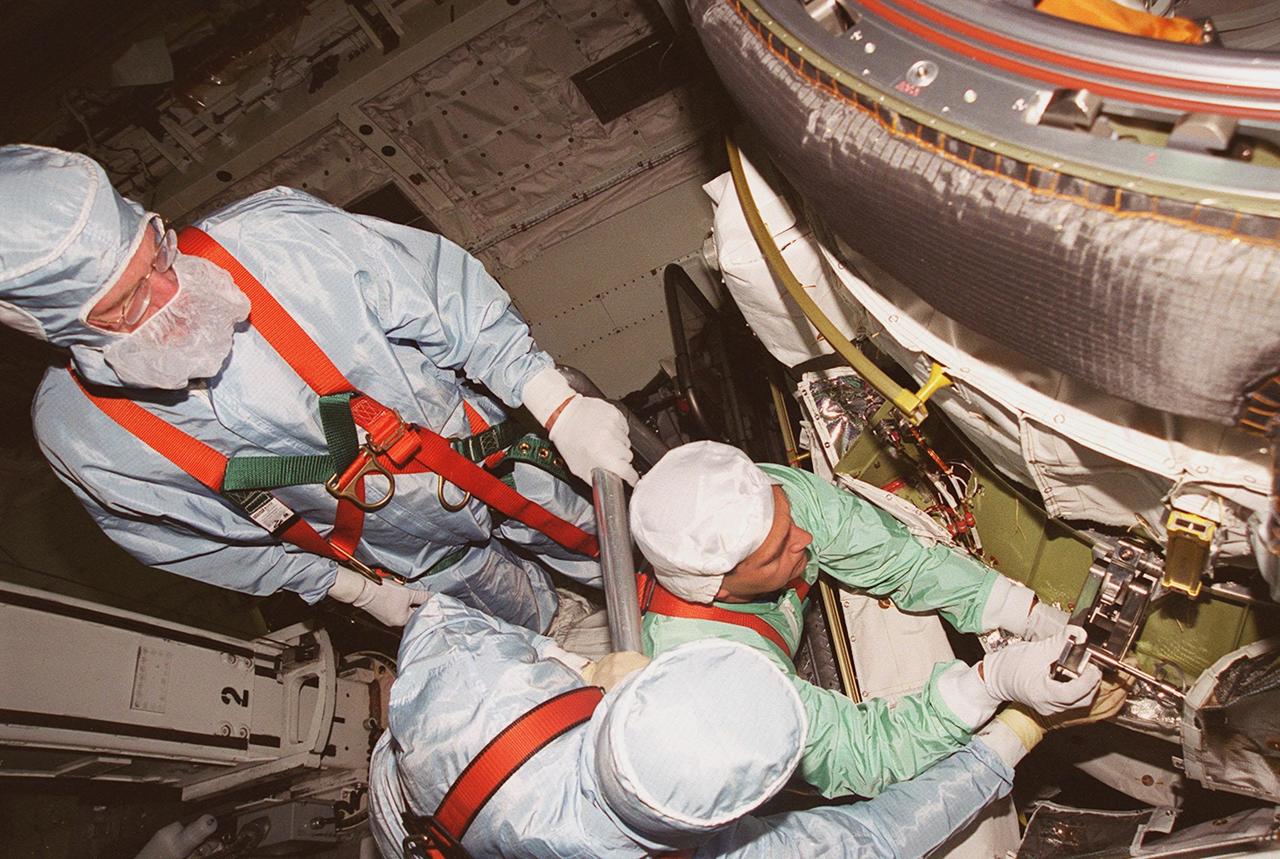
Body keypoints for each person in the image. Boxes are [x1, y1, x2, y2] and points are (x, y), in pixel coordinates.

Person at [0, 144, 636, 632]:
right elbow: (189, 543)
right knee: (542, 635)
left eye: (157, 253)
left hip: (491, 456)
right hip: (405, 556)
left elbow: (445, 298)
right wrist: (347, 588)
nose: (171, 292)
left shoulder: (274, 243)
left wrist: (552, 400)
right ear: (53, 330)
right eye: (128, 301)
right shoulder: (87, 438)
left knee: (621, 563)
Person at [367, 592, 1117, 859]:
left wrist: (574, 669)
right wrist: (1014, 725)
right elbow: (876, 837)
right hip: (409, 810)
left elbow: (440, 620)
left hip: (433, 771)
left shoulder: (468, 687)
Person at [628, 441, 1102, 799]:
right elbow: (862, 753)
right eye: (778, 551)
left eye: (790, 517)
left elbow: (898, 560)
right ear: (718, 586)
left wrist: (1024, 612)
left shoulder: (769, 502)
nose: (806, 537)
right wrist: (992, 681)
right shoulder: (717, 676)